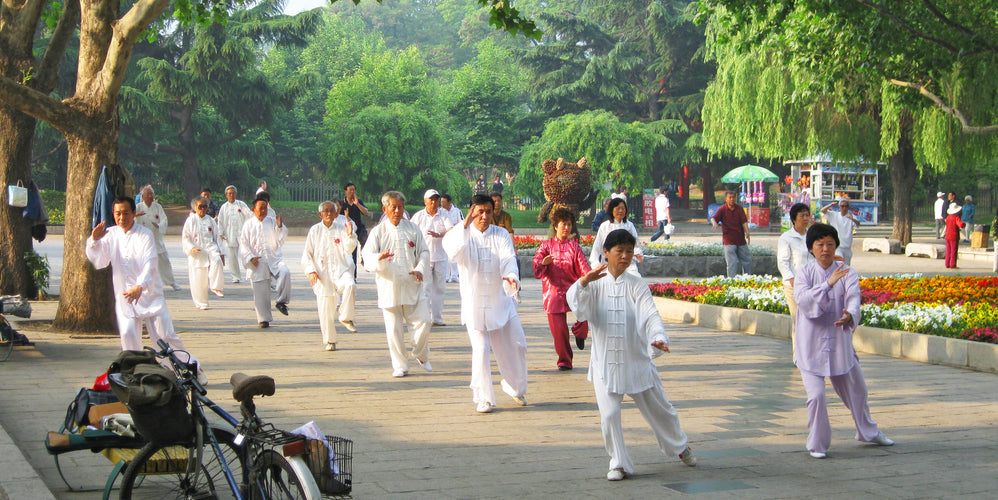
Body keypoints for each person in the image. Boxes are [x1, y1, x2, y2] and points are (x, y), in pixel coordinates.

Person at [567, 229, 697, 481]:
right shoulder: (594, 282)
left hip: (636, 359)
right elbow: (577, 307)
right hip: (605, 363)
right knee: (609, 414)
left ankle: (679, 446)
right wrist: (583, 282)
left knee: (662, 411)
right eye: (620, 251)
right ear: (606, 253)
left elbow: (650, 315)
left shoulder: (637, 285)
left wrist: (657, 337)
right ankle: (619, 462)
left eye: (629, 251)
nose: (625, 256)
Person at [794, 222, 894, 459]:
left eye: (830, 244)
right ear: (811, 248)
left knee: (858, 391)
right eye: (820, 245)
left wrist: (850, 314)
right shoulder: (804, 273)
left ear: (836, 245)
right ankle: (817, 444)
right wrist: (827, 284)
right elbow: (804, 302)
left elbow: (853, 298)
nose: (825, 249)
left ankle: (869, 432)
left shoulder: (848, 272)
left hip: (840, 346)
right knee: (816, 396)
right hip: (810, 347)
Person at [443, 194, 528, 414]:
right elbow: (452, 252)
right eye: (479, 212)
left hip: (501, 301)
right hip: (474, 305)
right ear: (472, 211)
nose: (484, 216)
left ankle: (513, 386)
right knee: (480, 350)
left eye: (488, 212)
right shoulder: (461, 234)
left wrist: (511, 276)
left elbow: (509, 258)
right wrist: (465, 224)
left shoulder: (501, 234)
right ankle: (483, 397)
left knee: (518, 345)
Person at [86, 197, 190, 353]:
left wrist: (140, 285)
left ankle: (188, 369)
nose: (122, 218)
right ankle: (135, 368)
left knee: (165, 337)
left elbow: (150, 263)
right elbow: (100, 261)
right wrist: (94, 240)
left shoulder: (145, 234)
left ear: (134, 213)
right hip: (126, 296)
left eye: (126, 213)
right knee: (128, 334)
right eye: (118, 214)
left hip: (149, 293)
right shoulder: (111, 234)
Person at [362, 191, 433, 378]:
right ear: (385, 209)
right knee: (394, 331)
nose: (397, 210)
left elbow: (424, 252)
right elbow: (366, 256)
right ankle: (400, 365)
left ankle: (420, 354)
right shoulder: (378, 232)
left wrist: (420, 268)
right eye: (393, 207)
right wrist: (380, 258)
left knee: (424, 321)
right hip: (389, 286)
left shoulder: (413, 229)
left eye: (400, 206)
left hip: (412, 283)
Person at [533, 208, 591, 370]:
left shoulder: (575, 247)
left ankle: (580, 332)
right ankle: (565, 361)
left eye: (569, 224)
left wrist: (589, 277)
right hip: (553, 293)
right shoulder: (546, 246)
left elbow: (584, 269)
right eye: (563, 224)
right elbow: (536, 266)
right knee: (560, 331)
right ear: (555, 226)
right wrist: (543, 263)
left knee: (585, 310)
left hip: (572, 290)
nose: (566, 227)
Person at [302, 201, 358, 351]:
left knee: (350, 285)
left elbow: (349, 248)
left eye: (331, 211)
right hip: (323, 274)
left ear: (335, 214)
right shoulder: (315, 230)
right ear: (320, 214)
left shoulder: (341, 228)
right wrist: (311, 271)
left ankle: (346, 317)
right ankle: (330, 340)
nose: (328, 214)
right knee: (325, 311)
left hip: (340, 270)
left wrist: (350, 235)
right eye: (325, 211)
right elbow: (307, 254)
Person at [239, 196, 291, 328]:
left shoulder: (273, 221)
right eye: (260, 208)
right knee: (260, 291)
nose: (263, 211)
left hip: (274, 259)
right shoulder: (248, 225)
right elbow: (244, 244)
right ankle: (263, 318)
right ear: (253, 209)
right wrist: (250, 257)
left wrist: (280, 227)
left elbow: (281, 240)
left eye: (265, 208)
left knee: (285, 272)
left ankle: (281, 301)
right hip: (258, 261)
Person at [410, 189, 452, 326]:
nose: (434, 202)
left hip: (440, 256)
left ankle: (437, 318)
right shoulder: (418, 216)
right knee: (424, 288)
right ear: (425, 201)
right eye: (431, 199)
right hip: (424, 257)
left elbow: (451, 230)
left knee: (440, 288)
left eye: (436, 199)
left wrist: (440, 234)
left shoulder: (444, 215)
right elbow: (410, 233)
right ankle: (424, 317)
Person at [777, 203, 815, 354]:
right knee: (799, 321)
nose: (806, 218)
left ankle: (812, 353)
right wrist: (792, 280)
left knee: (813, 320)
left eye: (807, 215)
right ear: (794, 219)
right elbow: (783, 262)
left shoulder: (812, 236)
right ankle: (799, 355)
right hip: (794, 286)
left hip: (812, 284)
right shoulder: (786, 238)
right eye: (802, 216)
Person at [182, 196, 225, 310]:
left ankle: (216, 286)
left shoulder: (211, 220)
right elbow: (186, 237)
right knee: (198, 278)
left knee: (216, 260)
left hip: (210, 247)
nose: (203, 209)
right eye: (200, 207)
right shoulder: (190, 220)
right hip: (197, 250)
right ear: (195, 208)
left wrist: (222, 253)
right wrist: (191, 247)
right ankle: (201, 303)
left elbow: (217, 237)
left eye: (205, 206)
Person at [134, 186, 180, 291]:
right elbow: (132, 219)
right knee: (143, 261)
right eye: (148, 194)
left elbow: (164, 219)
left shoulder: (157, 207)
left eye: (152, 194)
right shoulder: (139, 207)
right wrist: (137, 215)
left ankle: (171, 282)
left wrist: (159, 225)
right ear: (143, 196)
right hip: (143, 239)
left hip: (156, 238)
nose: (150, 196)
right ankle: (142, 283)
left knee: (164, 260)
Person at [590, 197, 643, 276]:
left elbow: (636, 245)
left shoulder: (630, 226)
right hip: (608, 264)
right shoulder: (604, 226)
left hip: (627, 265)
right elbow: (596, 248)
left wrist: (637, 254)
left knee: (636, 278)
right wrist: (596, 265)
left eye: (623, 208)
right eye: (618, 208)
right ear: (611, 210)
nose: (621, 211)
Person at [216, 185, 252, 284]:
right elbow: (221, 221)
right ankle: (235, 276)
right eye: (229, 193)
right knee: (232, 257)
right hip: (229, 234)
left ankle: (251, 273)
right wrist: (221, 233)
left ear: (236, 194)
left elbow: (250, 215)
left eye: (233, 193)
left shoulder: (241, 205)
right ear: (226, 195)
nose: (231, 195)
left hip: (242, 234)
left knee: (247, 254)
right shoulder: (224, 207)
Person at [711, 191, 752, 277]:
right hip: (728, 240)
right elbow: (714, 218)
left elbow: (744, 221)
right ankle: (732, 280)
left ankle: (747, 278)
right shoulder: (722, 209)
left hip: (740, 239)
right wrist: (714, 223)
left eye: (733, 197)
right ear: (726, 199)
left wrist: (747, 233)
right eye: (730, 197)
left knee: (747, 259)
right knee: (732, 262)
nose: (732, 199)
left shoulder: (739, 208)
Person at [820, 198, 859, 265]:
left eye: (846, 206)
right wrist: (830, 205)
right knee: (839, 264)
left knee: (846, 267)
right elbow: (822, 210)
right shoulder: (834, 215)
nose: (844, 208)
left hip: (847, 246)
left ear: (848, 207)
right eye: (842, 206)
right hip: (837, 246)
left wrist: (853, 220)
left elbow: (858, 224)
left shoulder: (851, 216)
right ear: (839, 207)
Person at [342, 183, 369, 279]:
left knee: (366, 241)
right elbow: (342, 218)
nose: (352, 192)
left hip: (359, 227)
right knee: (352, 251)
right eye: (350, 190)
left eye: (353, 190)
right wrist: (347, 216)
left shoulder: (358, 201)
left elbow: (366, 212)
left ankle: (364, 259)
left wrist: (357, 204)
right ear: (345, 191)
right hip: (349, 229)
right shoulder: (343, 204)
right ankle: (352, 276)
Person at [440, 193, 463, 282]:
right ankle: (446, 276)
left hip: (455, 235)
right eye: (441, 202)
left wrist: (454, 226)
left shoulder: (457, 211)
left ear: (449, 202)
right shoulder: (440, 211)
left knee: (453, 255)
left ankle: (454, 275)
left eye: (443, 202)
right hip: (444, 236)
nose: (441, 204)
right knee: (444, 256)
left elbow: (461, 222)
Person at [944, 203, 965, 269]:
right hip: (954, 235)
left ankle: (947, 263)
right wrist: (964, 224)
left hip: (947, 235)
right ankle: (953, 264)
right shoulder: (956, 217)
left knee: (948, 250)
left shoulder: (948, 217)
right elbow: (960, 225)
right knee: (954, 250)